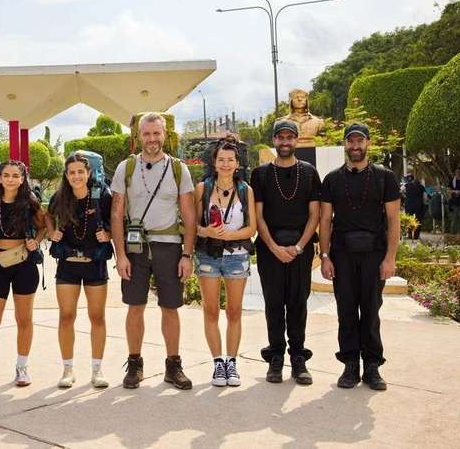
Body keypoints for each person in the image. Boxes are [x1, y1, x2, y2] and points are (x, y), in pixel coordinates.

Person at [110, 112, 196, 390]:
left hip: (169, 247)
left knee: (170, 307)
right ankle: (135, 364)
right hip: (135, 248)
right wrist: (120, 255)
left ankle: (173, 366)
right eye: (146, 134)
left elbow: (189, 214)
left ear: (164, 135)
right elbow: (116, 214)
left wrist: (187, 255)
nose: (152, 139)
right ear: (139, 137)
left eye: (156, 133)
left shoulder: (178, 169)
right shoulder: (126, 168)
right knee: (135, 306)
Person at [319, 124, 400, 391]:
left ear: (368, 143)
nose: (355, 146)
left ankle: (372, 366)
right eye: (351, 141)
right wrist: (325, 256)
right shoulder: (332, 179)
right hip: (342, 255)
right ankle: (350, 365)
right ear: (345, 144)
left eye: (360, 141)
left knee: (371, 311)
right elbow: (325, 220)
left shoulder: (384, 177)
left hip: (374, 254)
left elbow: (393, 219)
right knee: (346, 312)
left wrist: (390, 258)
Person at [250, 120, 320, 385]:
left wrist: (299, 247)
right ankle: (276, 356)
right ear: (274, 140)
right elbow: (258, 216)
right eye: (280, 137)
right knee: (274, 304)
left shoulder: (309, 172)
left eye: (290, 137)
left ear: (296, 140)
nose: (285, 142)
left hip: (301, 248)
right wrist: (274, 248)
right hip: (270, 248)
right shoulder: (261, 174)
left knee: (298, 303)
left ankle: (298, 358)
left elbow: (315, 215)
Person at [0, 160, 46, 392]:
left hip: (25, 265)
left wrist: (36, 241)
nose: (11, 179)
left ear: (22, 179)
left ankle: (22, 367)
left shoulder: (30, 201)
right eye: (6, 175)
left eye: (15, 175)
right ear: (0, 178)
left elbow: (44, 226)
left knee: (24, 319)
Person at [45, 152, 112, 389]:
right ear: (66, 175)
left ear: (89, 172)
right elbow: (46, 215)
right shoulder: (60, 196)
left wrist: (109, 234)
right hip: (68, 265)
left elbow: (117, 220)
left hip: (95, 263)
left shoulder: (102, 195)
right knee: (66, 316)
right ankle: (68, 370)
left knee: (97, 317)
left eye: (80, 172)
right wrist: (52, 232)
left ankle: (97, 369)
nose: (76, 176)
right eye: (71, 172)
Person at [195, 142, 257, 387]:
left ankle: (232, 362)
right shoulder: (202, 188)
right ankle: (218, 363)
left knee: (234, 311)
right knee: (210, 310)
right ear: (214, 162)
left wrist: (227, 236)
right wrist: (207, 231)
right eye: (221, 159)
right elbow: (191, 225)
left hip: (237, 255)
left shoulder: (245, 190)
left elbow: (251, 228)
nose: (226, 164)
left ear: (237, 163)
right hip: (208, 256)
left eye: (231, 159)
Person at [403, 174, 426, 240]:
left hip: (409, 206)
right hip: (418, 206)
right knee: (418, 220)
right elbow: (425, 197)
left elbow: (400, 193)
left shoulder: (405, 186)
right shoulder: (421, 186)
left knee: (408, 219)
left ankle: (410, 234)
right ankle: (416, 236)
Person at [449, 167, 460, 234]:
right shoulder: (452, 181)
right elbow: (448, 190)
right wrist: (455, 191)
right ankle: (453, 233)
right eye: (457, 172)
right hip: (454, 202)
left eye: (459, 172)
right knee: (454, 218)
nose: (458, 173)